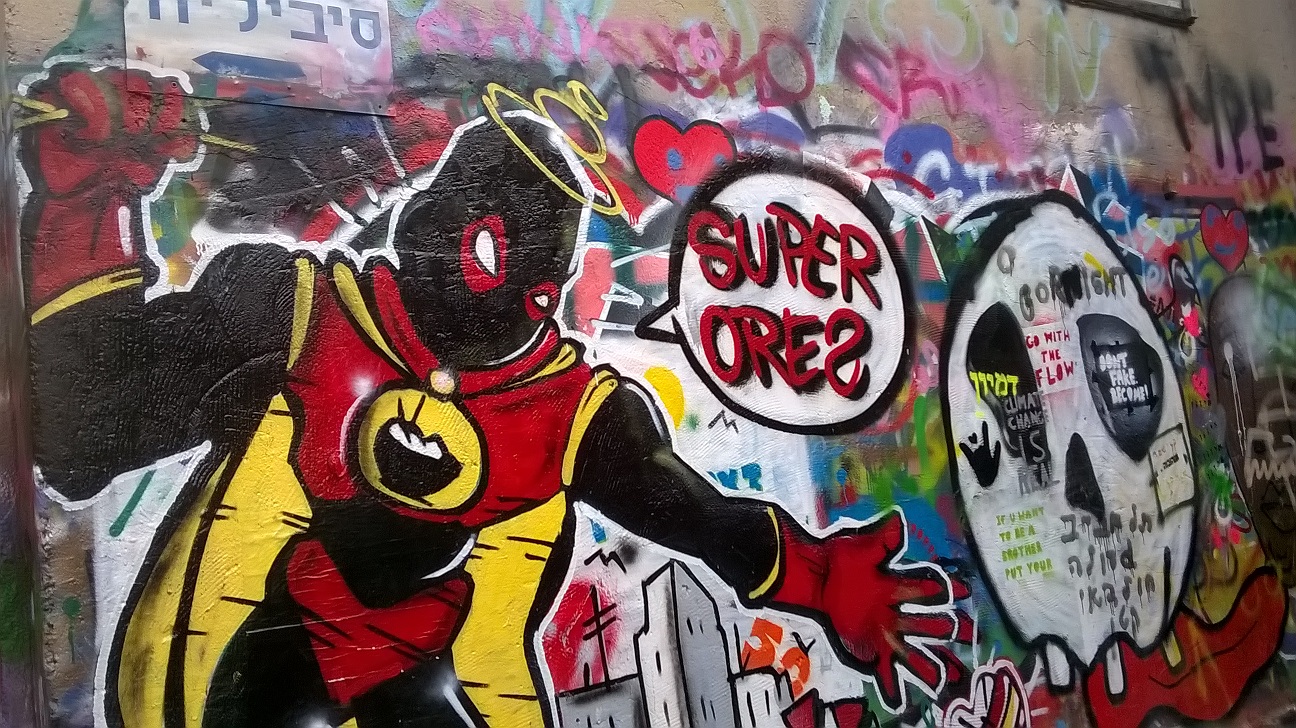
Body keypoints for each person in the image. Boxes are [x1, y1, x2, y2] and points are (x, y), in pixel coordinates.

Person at [24, 65, 970, 727]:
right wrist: (87, 197)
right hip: (239, 670)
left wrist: (816, 578)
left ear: (546, 293)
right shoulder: (297, 312)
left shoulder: (566, 412)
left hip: (405, 681)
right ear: (420, 217)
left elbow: (692, 513)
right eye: (467, 226)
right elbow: (80, 429)